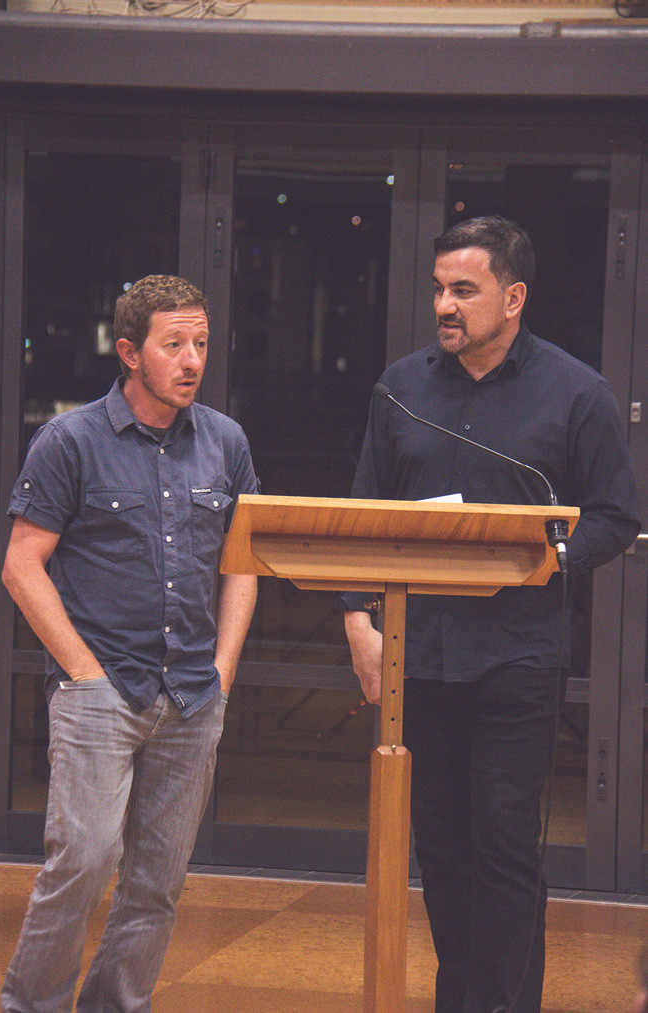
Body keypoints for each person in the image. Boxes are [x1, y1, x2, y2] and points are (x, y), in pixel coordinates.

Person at [342, 217, 641, 1013]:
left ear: (511, 298)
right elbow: (362, 512)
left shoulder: (576, 392)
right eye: (439, 288)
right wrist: (356, 619)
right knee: (440, 851)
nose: (444, 303)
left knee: (504, 848)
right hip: (421, 653)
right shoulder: (399, 388)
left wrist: (546, 559)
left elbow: (615, 514)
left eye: (462, 290)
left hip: (516, 655)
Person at [0, 275, 259, 1012]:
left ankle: (117, 1003)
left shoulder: (225, 441)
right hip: (100, 690)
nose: (191, 360)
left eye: (201, 344)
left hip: (191, 693)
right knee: (82, 860)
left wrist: (224, 668)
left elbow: (242, 565)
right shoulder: (69, 440)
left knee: (157, 880)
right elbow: (22, 564)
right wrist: (82, 671)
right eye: (173, 344)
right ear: (128, 352)